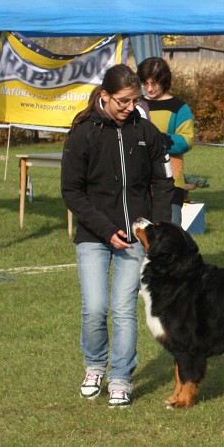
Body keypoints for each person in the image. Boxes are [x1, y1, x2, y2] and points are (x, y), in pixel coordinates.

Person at [61, 64, 174, 408]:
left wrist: (156, 231)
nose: (130, 107)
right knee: (95, 307)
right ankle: (95, 366)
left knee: (124, 309)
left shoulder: (146, 131)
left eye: (135, 100)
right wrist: (106, 230)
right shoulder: (83, 134)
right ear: (105, 96)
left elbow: (162, 182)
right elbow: (71, 191)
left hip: (136, 238)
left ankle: (121, 377)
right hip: (95, 236)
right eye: (123, 101)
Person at [137, 57, 195, 225]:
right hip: (139, 178)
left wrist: (157, 140)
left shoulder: (179, 107)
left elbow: (186, 140)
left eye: (154, 83)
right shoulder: (136, 104)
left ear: (164, 81)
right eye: (145, 84)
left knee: (169, 233)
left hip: (170, 179)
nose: (149, 88)